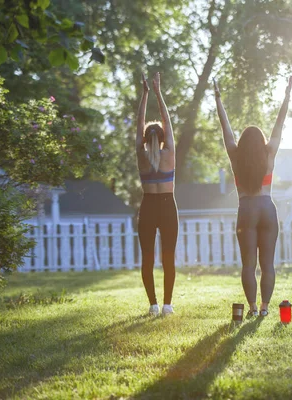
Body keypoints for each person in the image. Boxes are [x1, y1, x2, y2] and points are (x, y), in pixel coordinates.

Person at [213, 76, 292, 317]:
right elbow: (279, 125)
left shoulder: (235, 156)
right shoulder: (269, 154)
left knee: (248, 265)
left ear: (243, 143)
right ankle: (266, 308)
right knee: (267, 264)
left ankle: (252, 308)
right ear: (261, 142)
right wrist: (287, 96)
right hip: (268, 208)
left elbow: (225, 128)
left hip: (246, 209)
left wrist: (218, 99)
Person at [136, 72, 178, 317]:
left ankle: (153, 305)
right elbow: (167, 121)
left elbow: (139, 124)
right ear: (163, 138)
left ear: (144, 138)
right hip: (167, 206)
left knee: (148, 258)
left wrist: (145, 95)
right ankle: (167, 306)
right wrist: (158, 93)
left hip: (148, 207)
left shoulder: (141, 155)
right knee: (168, 257)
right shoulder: (169, 152)